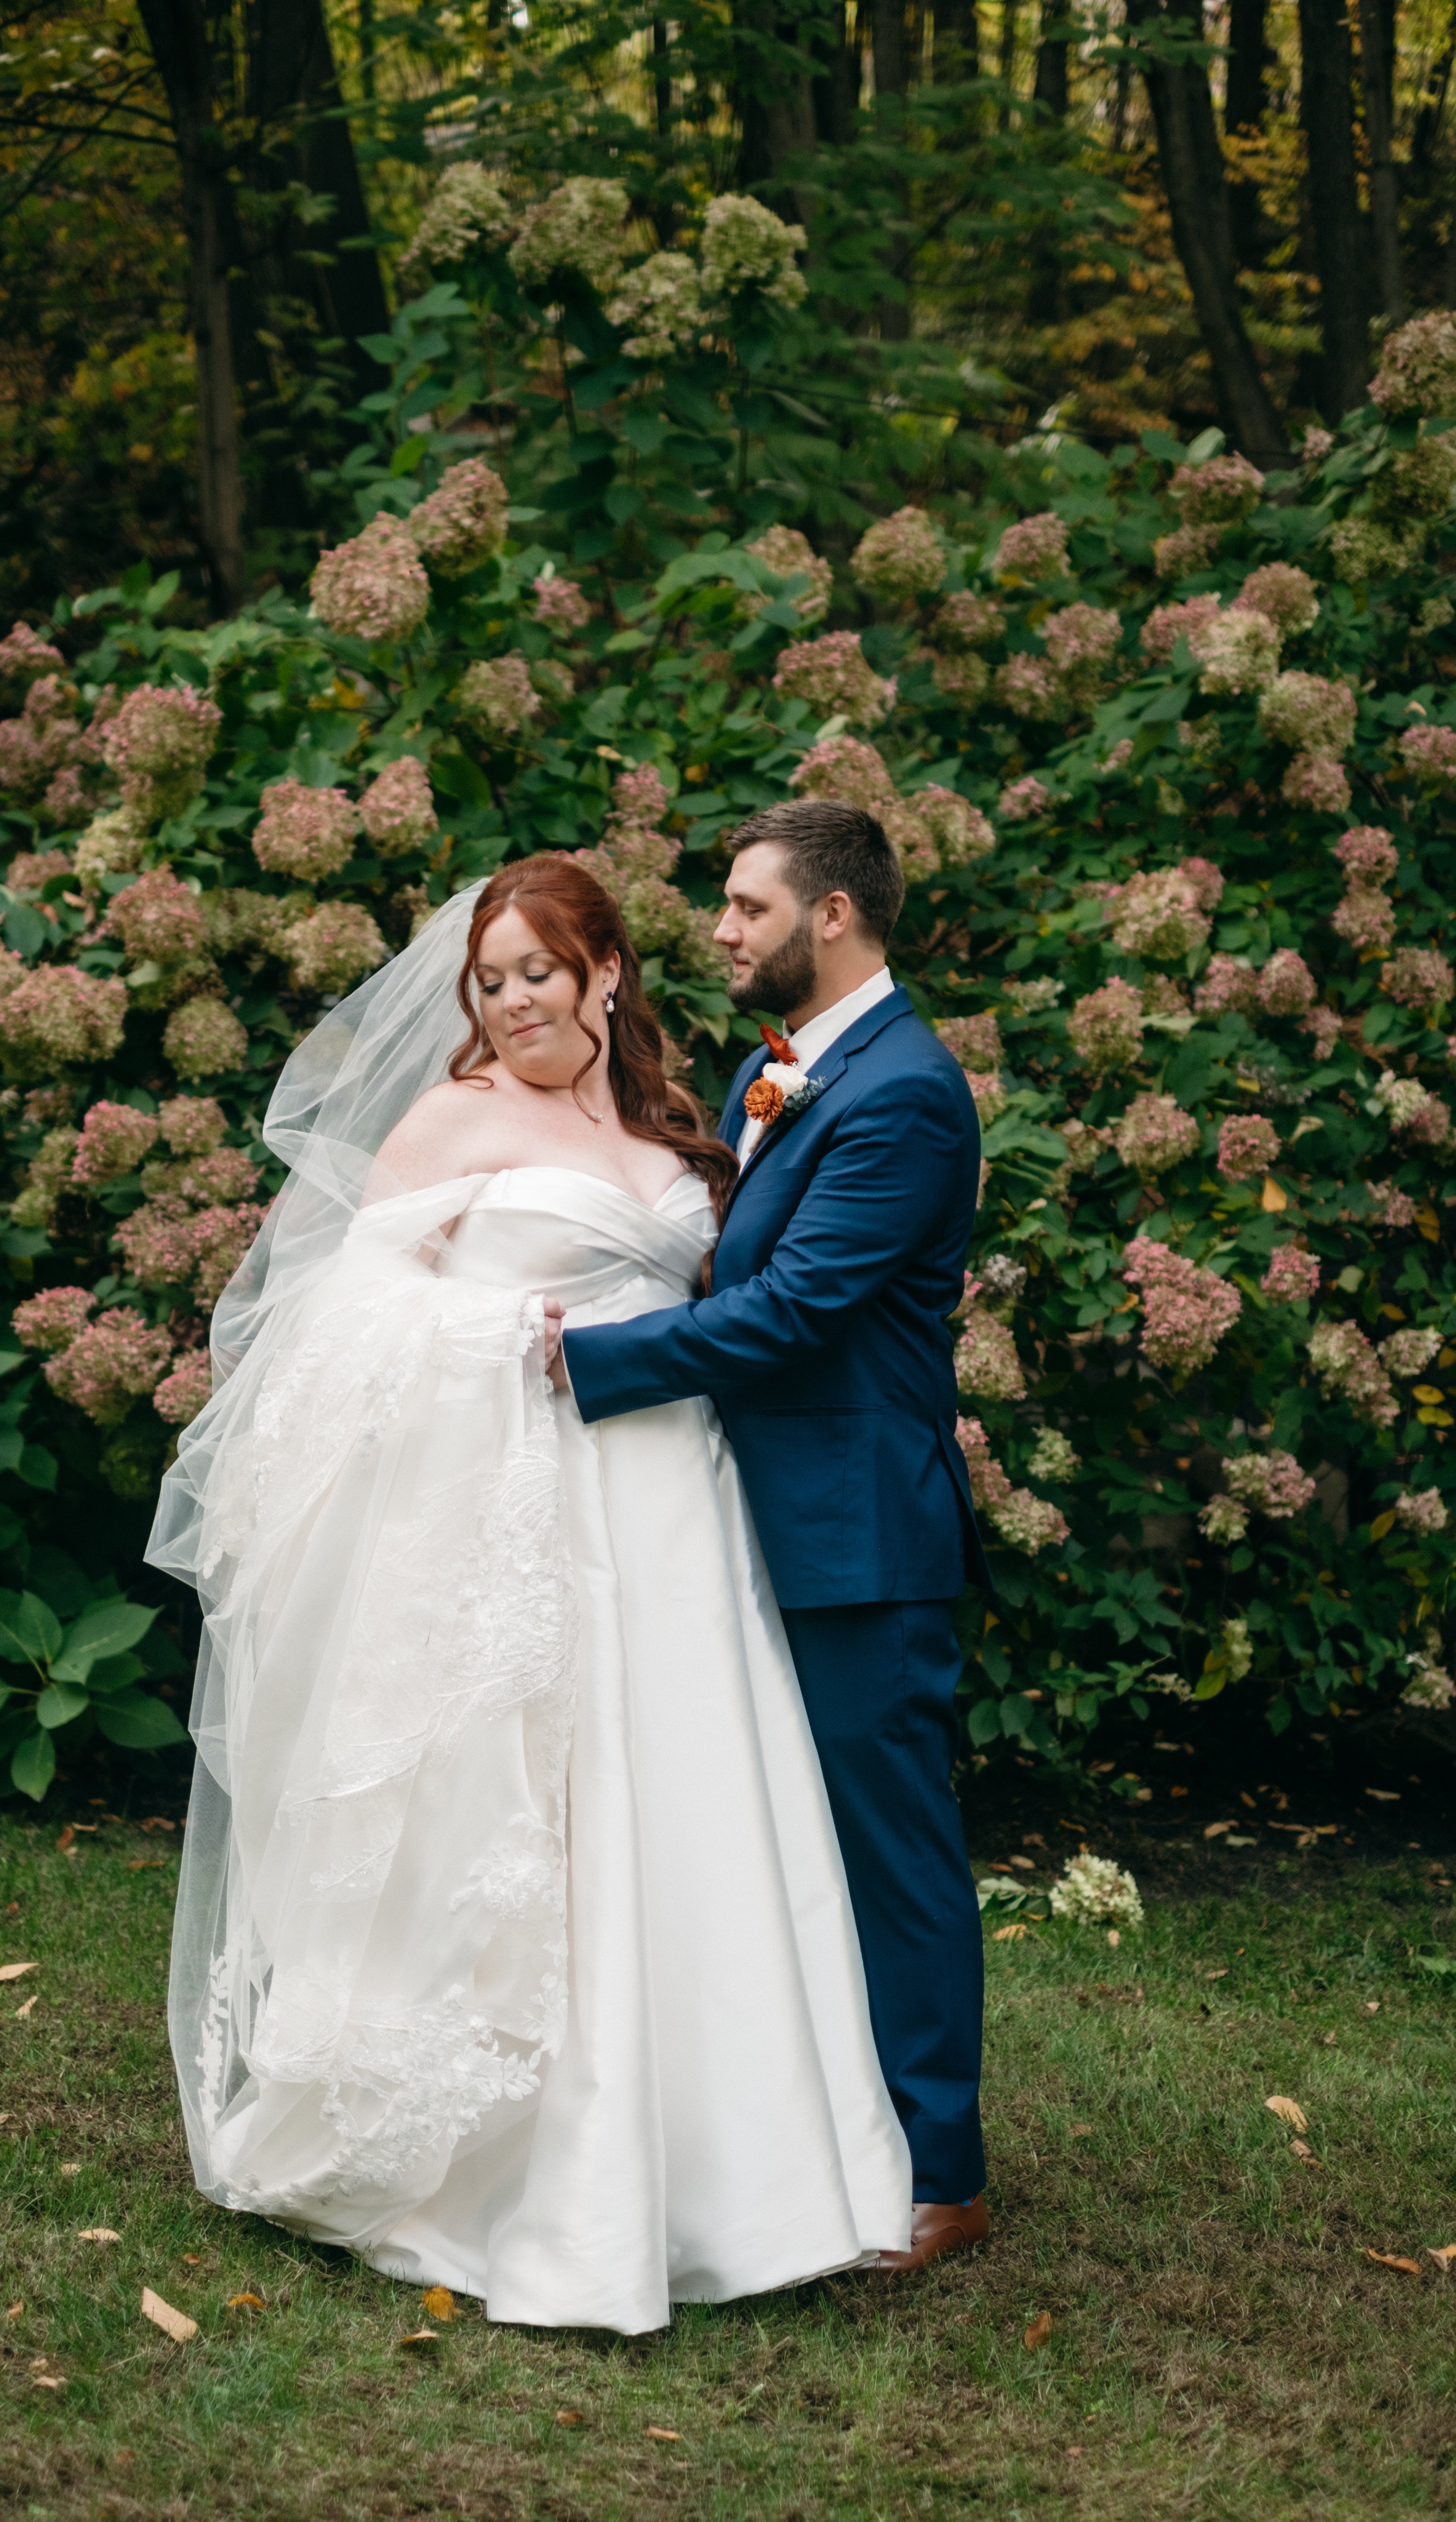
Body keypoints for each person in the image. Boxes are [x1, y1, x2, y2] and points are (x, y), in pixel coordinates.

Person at [146, 850, 913, 2336]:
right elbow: (337, 1331)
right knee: (528, 1822)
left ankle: (741, 2174)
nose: (512, 1006)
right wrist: (501, 1346)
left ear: (604, 974)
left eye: (539, 976)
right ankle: (511, 2177)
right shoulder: (445, 1123)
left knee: (693, 1820)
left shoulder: (678, 1129)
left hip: (681, 1519)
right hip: (520, 1515)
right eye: (488, 983)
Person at [546, 798, 992, 2272]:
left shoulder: (906, 1094)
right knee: (782, 1845)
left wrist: (599, 1361)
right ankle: (820, 2134)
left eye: (745, 908)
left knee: (890, 1855)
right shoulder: (777, 1069)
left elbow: (799, 1310)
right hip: (751, 1520)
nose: (721, 930)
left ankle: (940, 2173)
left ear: (834, 917)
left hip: (856, 1534)